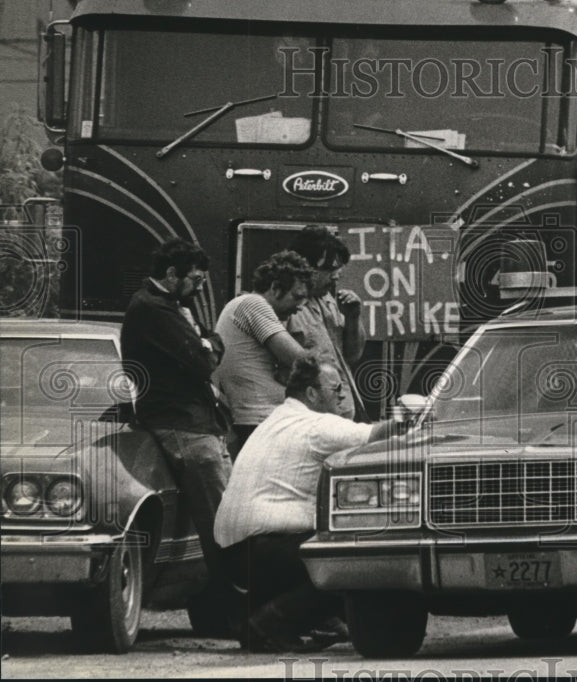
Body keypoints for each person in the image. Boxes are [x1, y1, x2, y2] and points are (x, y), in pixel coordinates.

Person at [214, 355, 399, 652]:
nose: (341, 395)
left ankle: (285, 619)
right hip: (266, 548)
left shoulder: (275, 420)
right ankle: (268, 625)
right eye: (335, 389)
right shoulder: (317, 425)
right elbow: (377, 435)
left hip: (233, 553)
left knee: (321, 550)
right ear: (311, 394)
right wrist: (413, 417)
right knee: (354, 561)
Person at [120, 238, 236, 627]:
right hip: (182, 424)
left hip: (194, 421)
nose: (200, 287)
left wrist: (208, 341)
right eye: (196, 279)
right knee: (223, 521)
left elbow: (210, 342)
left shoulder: (171, 307)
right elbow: (204, 360)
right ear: (172, 274)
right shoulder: (153, 309)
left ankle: (218, 609)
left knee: (220, 519)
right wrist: (209, 343)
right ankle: (233, 611)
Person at [213, 250, 312, 449]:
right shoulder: (253, 304)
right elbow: (302, 362)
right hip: (260, 419)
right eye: (297, 297)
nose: (300, 307)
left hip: (258, 419)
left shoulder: (244, 305)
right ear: (275, 288)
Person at [286, 225, 366, 421]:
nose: (336, 276)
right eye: (330, 269)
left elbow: (353, 355)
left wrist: (353, 317)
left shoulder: (329, 301)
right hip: (312, 418)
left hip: (341, 414)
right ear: (306, 266)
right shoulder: (286, 306)